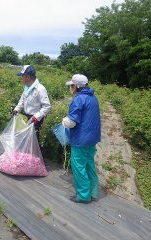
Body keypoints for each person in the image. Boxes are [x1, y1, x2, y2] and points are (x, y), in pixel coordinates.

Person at [62, 74, 101, 203]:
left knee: (78, 166)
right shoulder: (93, 98)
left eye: (71, 86)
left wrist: (64, 121)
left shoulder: (78, 99)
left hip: (80, 139)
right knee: (90, 164)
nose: (70, 88)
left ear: (77, 87)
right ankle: (94, 193)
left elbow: (72, 122)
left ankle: (84, 195)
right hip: (92, 138)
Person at [14, 65, 51, 141]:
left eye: (23, 76)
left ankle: (33, 153)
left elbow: (47, 106)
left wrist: (37, 116)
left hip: (36, 120)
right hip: (27, 117)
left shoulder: (40, 89)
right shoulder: (27, 87)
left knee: (33, 140)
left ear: (28, 77)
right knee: (25, 139)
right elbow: (22, 100)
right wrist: (17, 109)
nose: (22, 79)